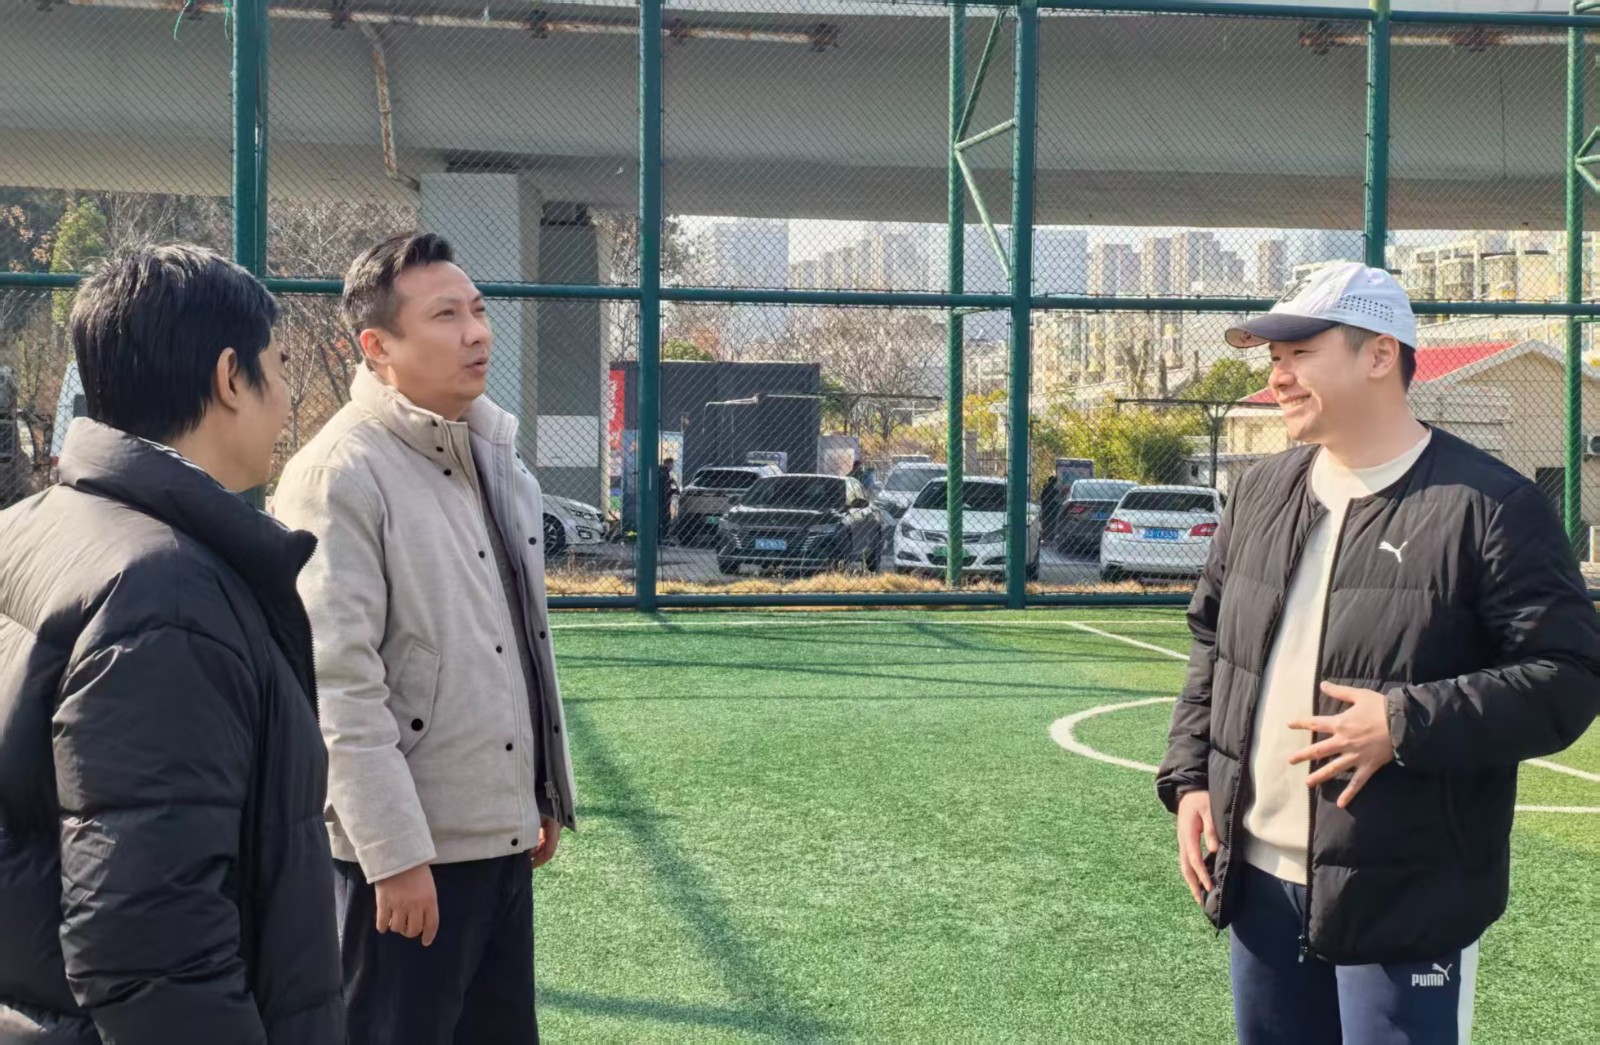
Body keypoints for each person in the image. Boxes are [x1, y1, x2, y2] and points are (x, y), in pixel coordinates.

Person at [1156, 261, 1600, 1043]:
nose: (1278, 375)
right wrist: (1191, 777)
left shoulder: (1491, 507)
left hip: (1407, 893)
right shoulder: (1259, 492)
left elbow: (1567, 676)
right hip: (1257, 881)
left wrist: (1403, 722)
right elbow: (1213, 643)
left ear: (1380, 354)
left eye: (1300, 352)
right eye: (1274, 357)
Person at [0, 245, 343, 1042]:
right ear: (230, 377)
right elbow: (152, 944)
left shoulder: (24, 529)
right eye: (278, 367)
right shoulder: (167, 592)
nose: (287, 401)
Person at [273, 231, 576, 1045]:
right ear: (376, 347)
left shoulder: (494, 457)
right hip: (405, 863)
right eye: (446, 316)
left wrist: (539, 790)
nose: (476, 332)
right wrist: (394, 852)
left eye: (478, 310)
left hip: (498, 841)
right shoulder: (340, 472)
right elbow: (336, 683)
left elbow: (518, 641)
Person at [659, 456, 679, 539]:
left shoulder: (665, 473)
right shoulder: (663, 473)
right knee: (664, 518)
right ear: (669, 464)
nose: (673, 466)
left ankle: (664, 536)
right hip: (663, 501)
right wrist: (674, 490)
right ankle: (663, 536)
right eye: (672, 464)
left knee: (666, 517)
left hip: (664, 500)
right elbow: (665, 489)